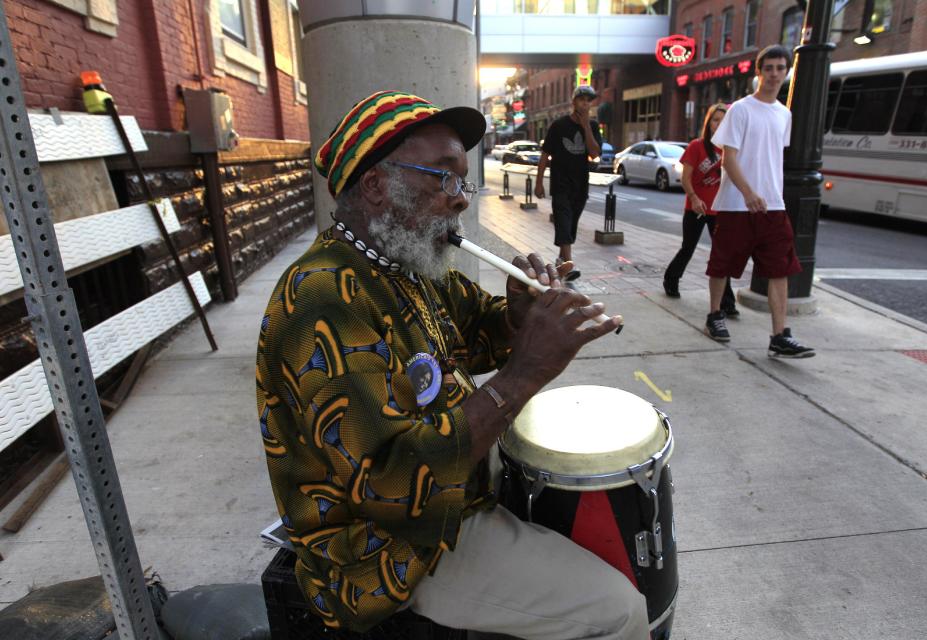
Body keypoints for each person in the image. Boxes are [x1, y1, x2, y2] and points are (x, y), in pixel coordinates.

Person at [256, 90, 646, 639]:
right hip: (388, 549)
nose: (461, 199)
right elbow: (392, 484)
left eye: (464, 181)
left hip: (455, 497)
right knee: (618, 610)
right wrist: (527, 372)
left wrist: (517, 315)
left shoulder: (404, 265)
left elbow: (477, 327)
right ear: (376, 187)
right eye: (443, 178)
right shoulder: (323, 298)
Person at [704, 45, 816, 358]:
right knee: (722, 264)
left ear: (786, 72)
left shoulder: (784, 114)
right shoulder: (740, 109)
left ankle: (780, 335)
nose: (775, 74)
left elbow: (773, 157)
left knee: (780, 269)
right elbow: (729, 159)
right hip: (736, 204)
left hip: (773, 206)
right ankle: (715, 316)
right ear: (759, 72)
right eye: (769, 68)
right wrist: (748, 192)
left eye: (780, 68)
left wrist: (765, 194)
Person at [663, 102, 738, 317]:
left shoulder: (731, 149)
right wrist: (694, 198)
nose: (720, 124)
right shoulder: (697, 146)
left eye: (724, 120)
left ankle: (727, 301)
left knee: (722, 255)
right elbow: (685, 178)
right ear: (709, 123)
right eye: (716, 120)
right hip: (697, 207)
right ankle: (671, 279)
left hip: (721, 210)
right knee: (688, 247)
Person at [534, 85, 603, 282]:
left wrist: (586, 126)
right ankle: (570, 265)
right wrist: (539, 183)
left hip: (580, 185)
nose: (585, 103)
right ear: (574, 102)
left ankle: (561, 260)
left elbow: (594, 153)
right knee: (563, 221)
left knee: (571, 226)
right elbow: (545, 155)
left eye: (589, 100)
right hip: (560, 183)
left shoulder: (593, 126)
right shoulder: (558, 125)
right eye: (582, 99)